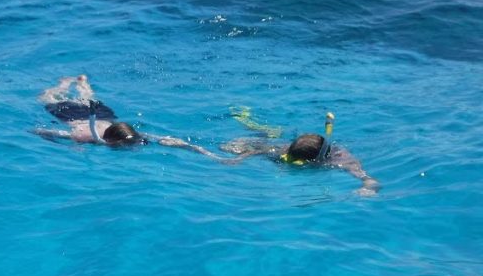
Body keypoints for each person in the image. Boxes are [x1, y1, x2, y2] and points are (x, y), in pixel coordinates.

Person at [34, 75, 222, 157]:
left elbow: (177, 142)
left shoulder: (131, 136)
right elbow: (40, 131)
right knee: (47, 98)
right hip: (73, 116)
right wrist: (71, 146)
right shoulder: (88, 137)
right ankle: (65, 83)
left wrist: (212, 155)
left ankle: (81, 82)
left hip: (100, 115)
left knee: (88, 98)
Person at [221, 110, 381, 196]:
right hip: (286, 144)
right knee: (233, 147)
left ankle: (269, 131)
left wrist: (368, 189)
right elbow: (259, 150)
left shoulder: (340, 160)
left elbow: (369, 179)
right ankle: (263, 128)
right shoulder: (286, 150)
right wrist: (239, 158)